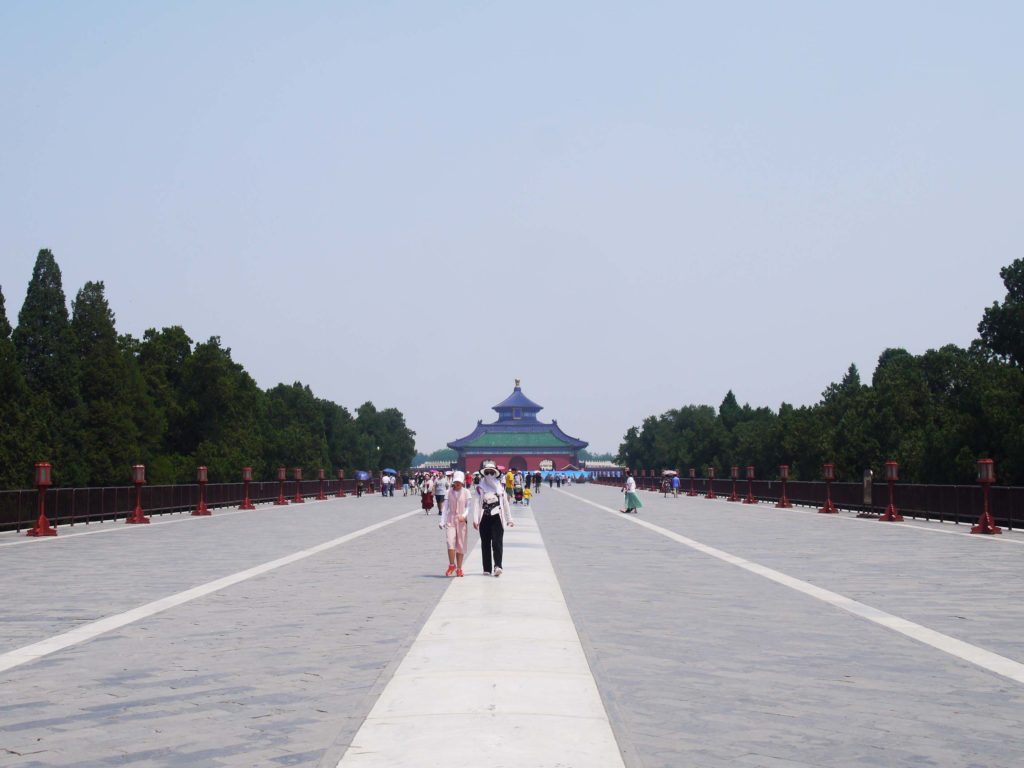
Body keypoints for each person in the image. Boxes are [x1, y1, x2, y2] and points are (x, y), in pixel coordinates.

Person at [474, 460, 514, 576]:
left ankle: (498, 566)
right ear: (484, 474)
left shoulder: (500, 488)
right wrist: (475, 520)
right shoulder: (480, 488)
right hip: (484, 517)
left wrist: (509, 519)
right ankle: (486, 568)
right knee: (485, 543)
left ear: (495, 473)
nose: (489, 475)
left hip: (497, 517)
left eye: (492, 473)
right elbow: (477, 504)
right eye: (487, 473)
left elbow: (505, 503)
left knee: (497, 543)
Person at [440, 471, 471, 577]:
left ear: (462, 482)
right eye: (455, 482)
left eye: (459, 482)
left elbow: (468, 507)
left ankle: (459, 568)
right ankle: (451, 564)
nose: (457, 484)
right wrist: (442, 521)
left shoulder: (466, 492)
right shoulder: (448, 492)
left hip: (461, 521)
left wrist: (465, 515)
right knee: (450, 542)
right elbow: (445, 508)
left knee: (460, 545)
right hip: (451, 519)